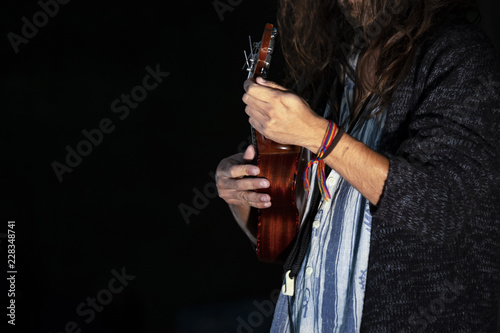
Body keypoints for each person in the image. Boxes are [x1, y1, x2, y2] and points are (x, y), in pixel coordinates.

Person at [216, 0, 500, 331]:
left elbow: (442, 209)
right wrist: (243, 197)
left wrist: (319, 136)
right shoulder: (338, 70)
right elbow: (303, 252)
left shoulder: (460, 57)